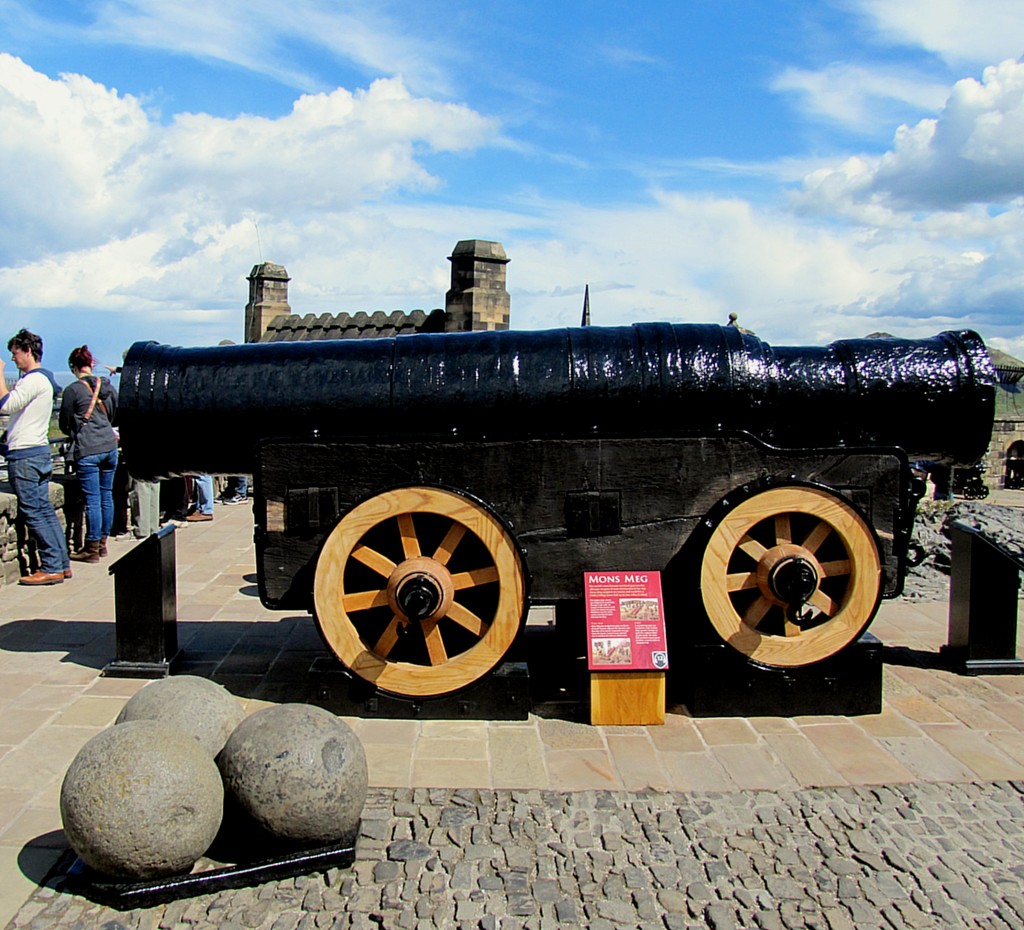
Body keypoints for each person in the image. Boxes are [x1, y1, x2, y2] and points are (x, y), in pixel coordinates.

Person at [0, 329, 71, 584]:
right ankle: (61, 563)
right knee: (44, 510)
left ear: (28, 351)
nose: (13, 359)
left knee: (35, 513)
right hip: (38, 452)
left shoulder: (32, 380)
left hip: (26, 456)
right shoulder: (45, 381)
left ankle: (51, 566)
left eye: (15, 353)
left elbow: (6, 405)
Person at [59, 345, 119, 562]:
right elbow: (114, 414)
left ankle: (91, 548)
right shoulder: (108, 387)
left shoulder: (73, 390)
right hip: (109, 446)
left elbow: (65, 423)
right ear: (91, 365)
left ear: (74, 367)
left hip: (88, 447)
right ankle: (103, 543)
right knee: (106, 495)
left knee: (92, 499)